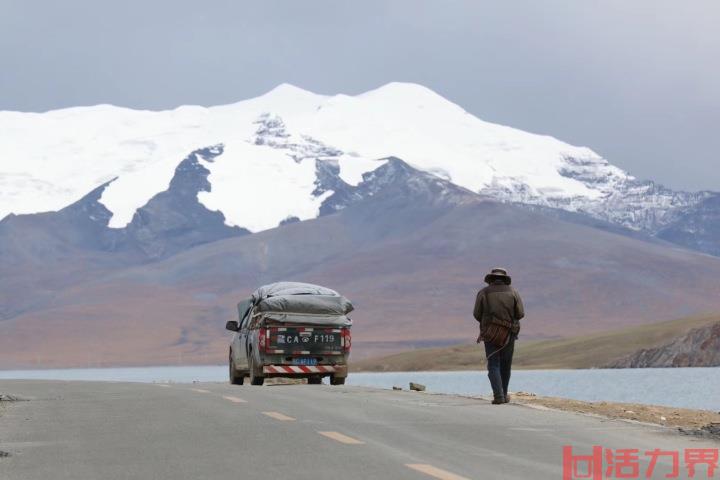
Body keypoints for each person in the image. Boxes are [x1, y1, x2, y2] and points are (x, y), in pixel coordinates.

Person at [473, 267, 525, 404]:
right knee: (506, 365)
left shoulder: (483, 292)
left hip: (490, 333)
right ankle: (504, 394)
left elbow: (476, 314)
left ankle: (498, 396)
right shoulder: (514, 292)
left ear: (490, 279)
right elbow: (520, 314)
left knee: (493, 364)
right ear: (504, 279)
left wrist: (489, 323)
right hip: (510, 333)